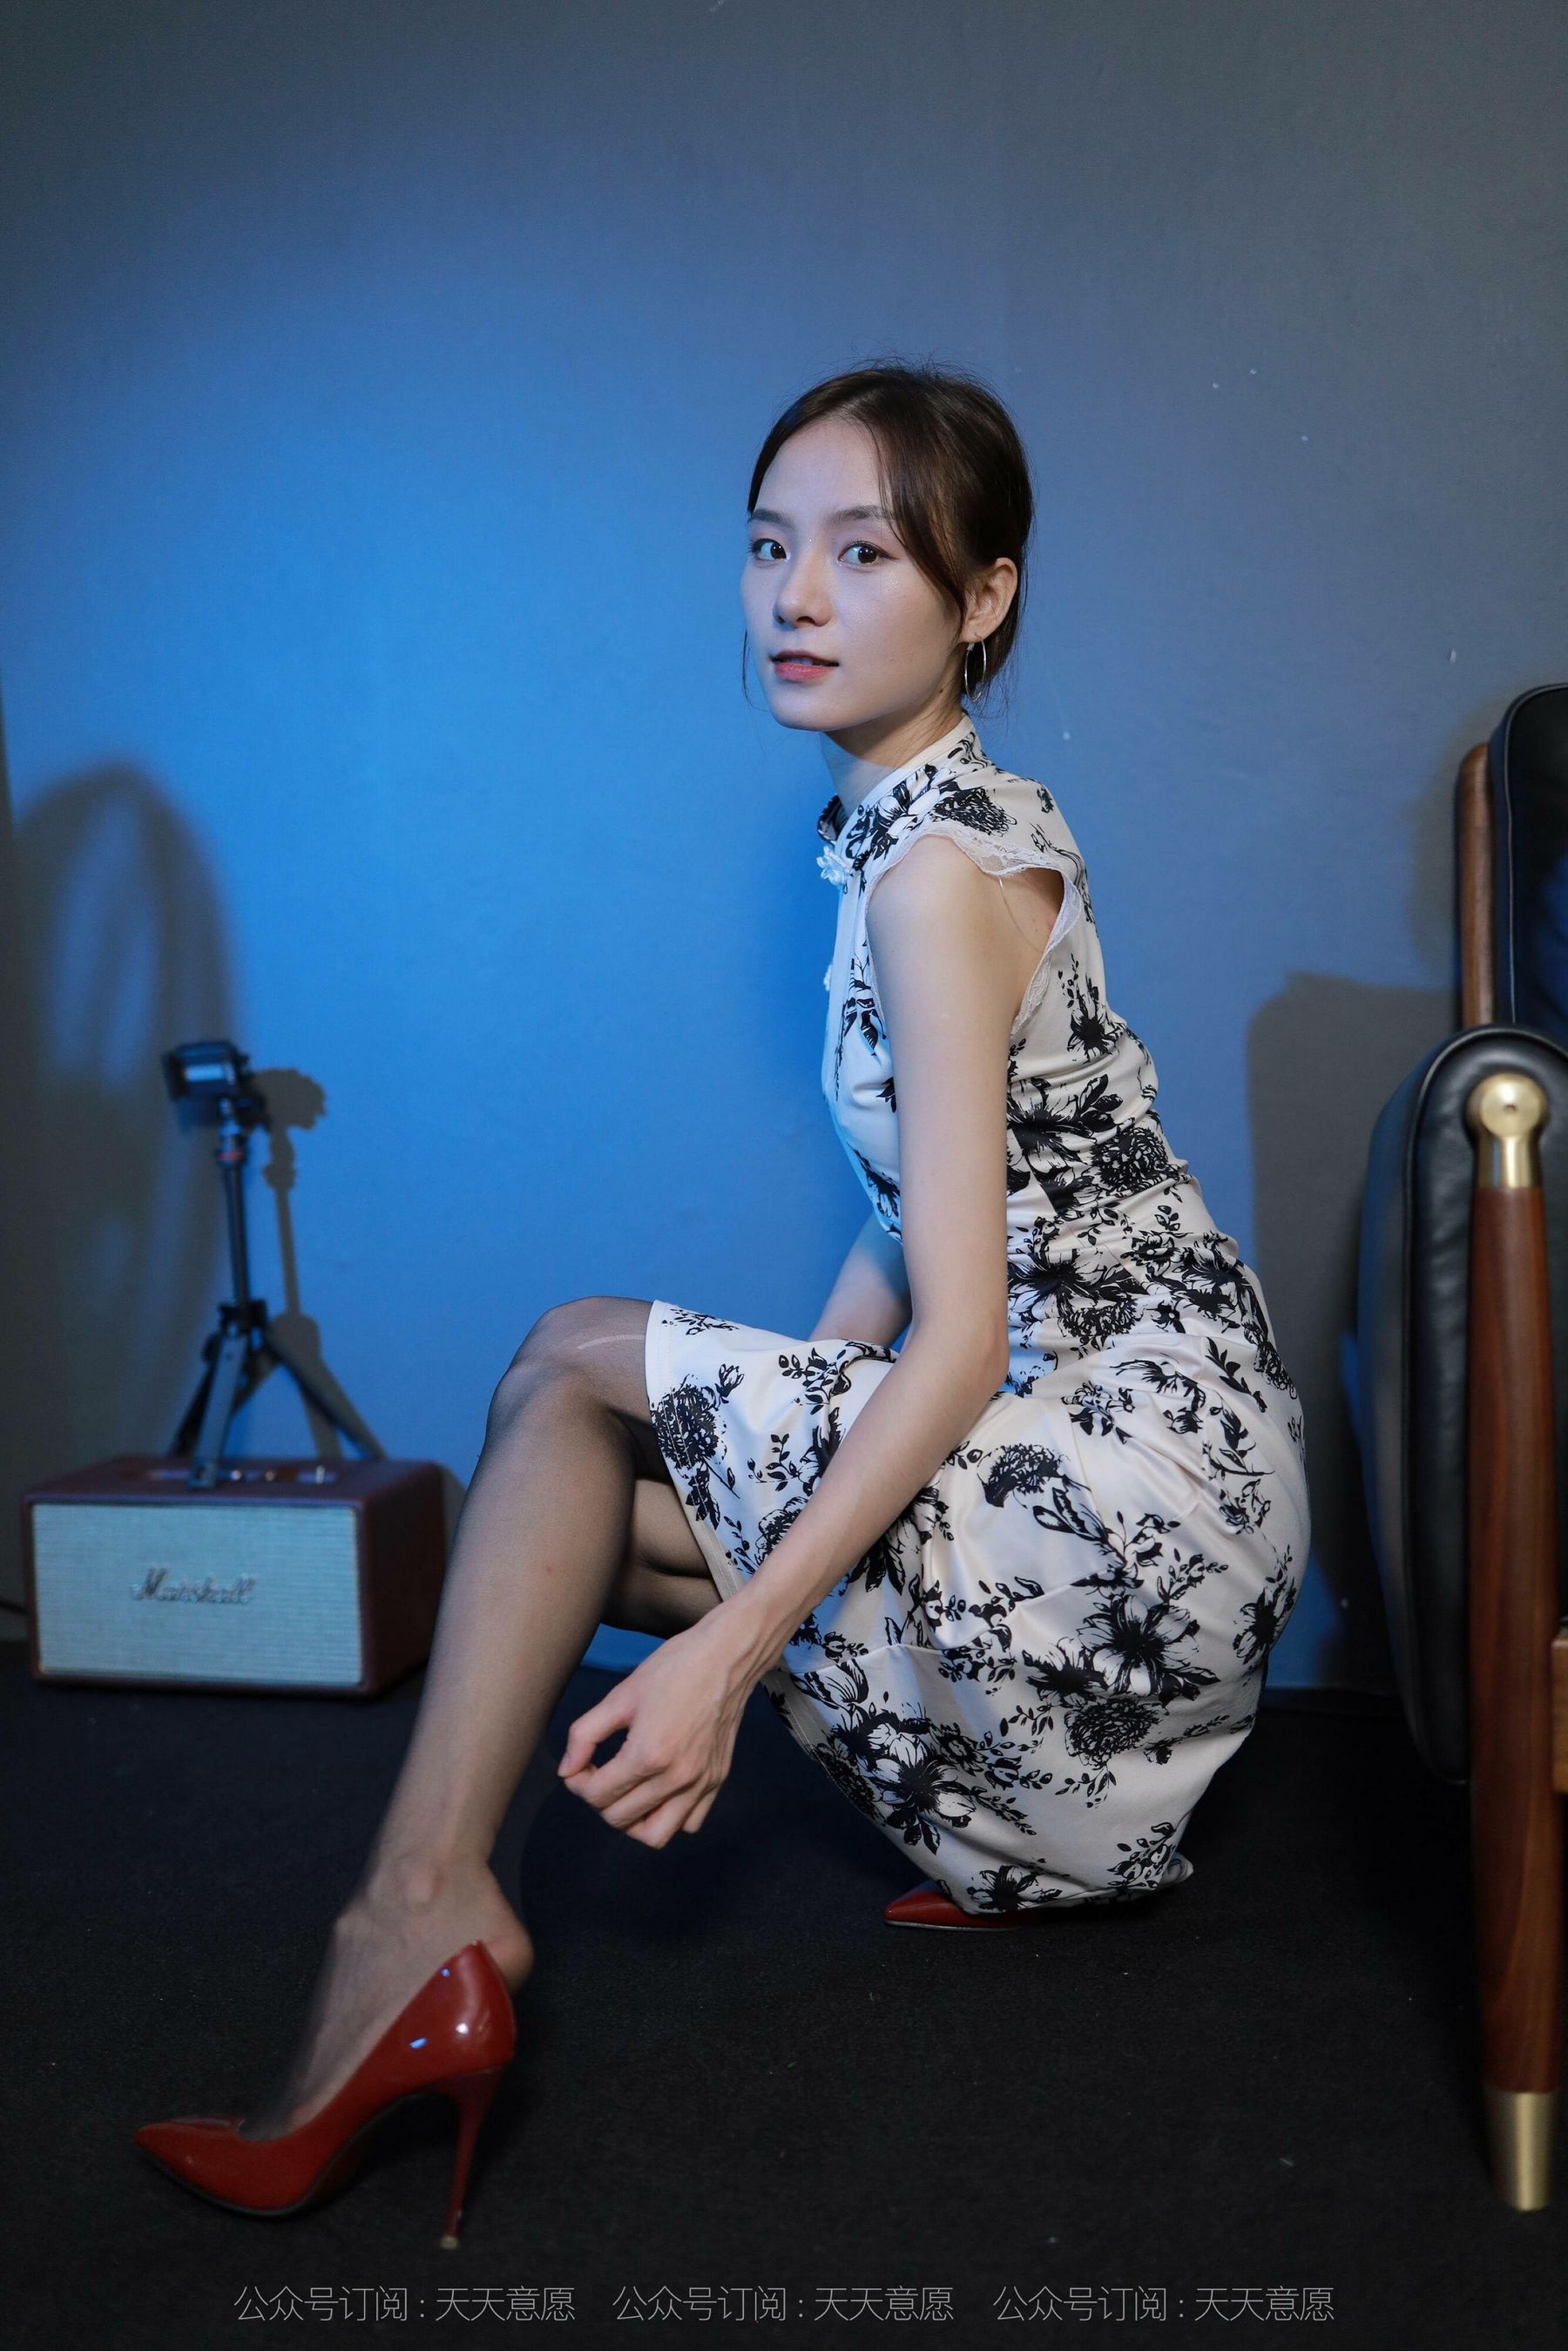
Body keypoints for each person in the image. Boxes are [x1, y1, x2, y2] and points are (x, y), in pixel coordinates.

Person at [132, 360, 1311, 2243]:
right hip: (1143, 1487)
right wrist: (755, 1455)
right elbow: (916, 1219)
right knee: (573, 1499)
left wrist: (740, 1646)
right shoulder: (952, 818)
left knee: (569, 1358)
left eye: (864, 553)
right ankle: (425, 1919)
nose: (795, 597)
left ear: (984, 595)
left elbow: (965, 1332)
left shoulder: (932, 877)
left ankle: (410, 1925)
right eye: (770, 547)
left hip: (1125, 1500)